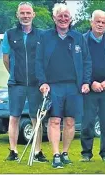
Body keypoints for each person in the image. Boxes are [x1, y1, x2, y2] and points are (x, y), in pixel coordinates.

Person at [35, 3, 91, 169]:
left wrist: (86, 82)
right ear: (54, 18)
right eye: (60, 16)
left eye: (66, 16)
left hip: (74, 87)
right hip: (53, 86)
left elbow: (87, 61)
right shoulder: (45, 37)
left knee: (70, 122)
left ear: (71, 19)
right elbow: (38, 62)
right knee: (54, 120)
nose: (63, 19)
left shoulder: (78, 38)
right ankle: (56, 154)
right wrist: (42, 82)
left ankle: (65, 153)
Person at [2, 2, 47, 162]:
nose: (25, 16)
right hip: (16, 84)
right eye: (22, 13)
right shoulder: (9, 34)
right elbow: (6, 59)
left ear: (33, 15)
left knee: (37, 118)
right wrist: (15, 73)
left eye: (28, 13)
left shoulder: (41, 34)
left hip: (36, 84)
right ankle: (13, 151)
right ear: (17, 15)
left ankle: (37, 152)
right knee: (14, 117)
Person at [80, 10, 105, 162]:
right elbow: (79, 64)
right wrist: (90, 82)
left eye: (103, 22)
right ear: (91, 22)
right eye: (98, 21)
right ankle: (86, 153)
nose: (100, 24)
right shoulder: (82, 40)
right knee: (88, 122)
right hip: (89, 88)